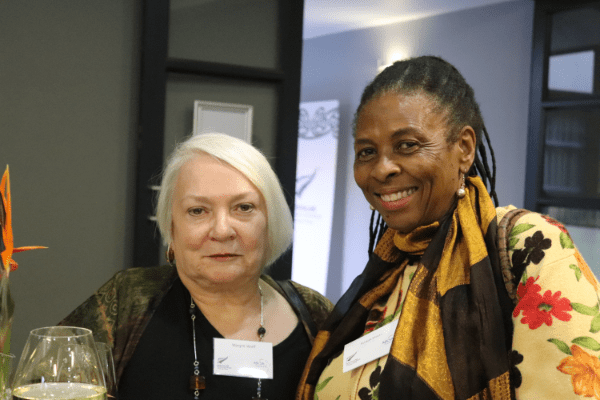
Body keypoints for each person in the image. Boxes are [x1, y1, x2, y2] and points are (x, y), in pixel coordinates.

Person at [296, 56, 600, 400]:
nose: (381, 169)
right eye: (367, 152)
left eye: (407, 145)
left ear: (464, 149)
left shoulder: (529, 246)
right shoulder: (385, 276)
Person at [60, 133, 333, 400]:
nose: (222, 231)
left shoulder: (316, 314)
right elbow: (50, 381)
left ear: (271, 222)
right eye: (198, 211)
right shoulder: (126, 299)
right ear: (172, 227)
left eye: (243, 207)